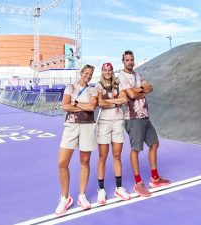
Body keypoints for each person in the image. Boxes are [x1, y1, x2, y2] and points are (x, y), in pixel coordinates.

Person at [118, 50, 170, 197]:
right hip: (133, 118)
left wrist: (138, 90)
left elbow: (150, 88)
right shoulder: (122, 77)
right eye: (127, 60)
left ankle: (154, 178)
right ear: (123, 61)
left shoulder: (137, 75)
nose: (130, 62)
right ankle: (138, 183)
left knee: (154, 144)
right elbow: (132, 95)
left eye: (132, 59)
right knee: (136, 149)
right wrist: (141, 91)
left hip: (145, 116)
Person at [55, 64, 98, 216]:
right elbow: (65, 106)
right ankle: (65, 198)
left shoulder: (93, 89)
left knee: (85, 161)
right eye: (86, 73)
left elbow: (92, 107)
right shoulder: (70, 87)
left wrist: (76, 104)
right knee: (62, 163)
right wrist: (82, 106)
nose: (88, 75)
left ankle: (82, 195)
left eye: (90, 74)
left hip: (87, 127)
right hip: (71, 127)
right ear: (81, 73)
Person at [95, 62, 130, 205]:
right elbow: (100, 103)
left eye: (109, 70)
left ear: (112, 71)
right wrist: (116, 103)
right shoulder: (98, 85)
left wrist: (110, 101)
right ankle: (101, 189)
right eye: (105, 70)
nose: (107, 72)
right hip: (104, 122)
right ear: (102, 71)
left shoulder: (118, 83)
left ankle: (119, 187)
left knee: (117, 155)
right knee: (102, 156)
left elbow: (124, 99)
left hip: (118, 122)